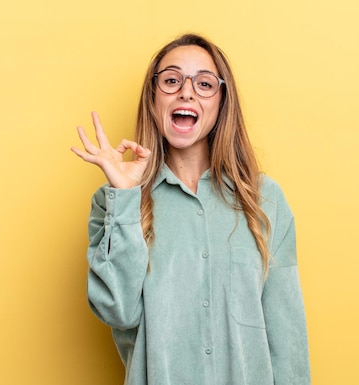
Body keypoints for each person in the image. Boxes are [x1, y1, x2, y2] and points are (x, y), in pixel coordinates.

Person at [71, 33, 310, 385]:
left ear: (221, 102)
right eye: (171, 80)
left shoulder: (265, 201)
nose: (186, 91)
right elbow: (117, 311)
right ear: (153, 99)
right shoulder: (114, 202)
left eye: (204, 83)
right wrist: (125, 198)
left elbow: (287, 337)